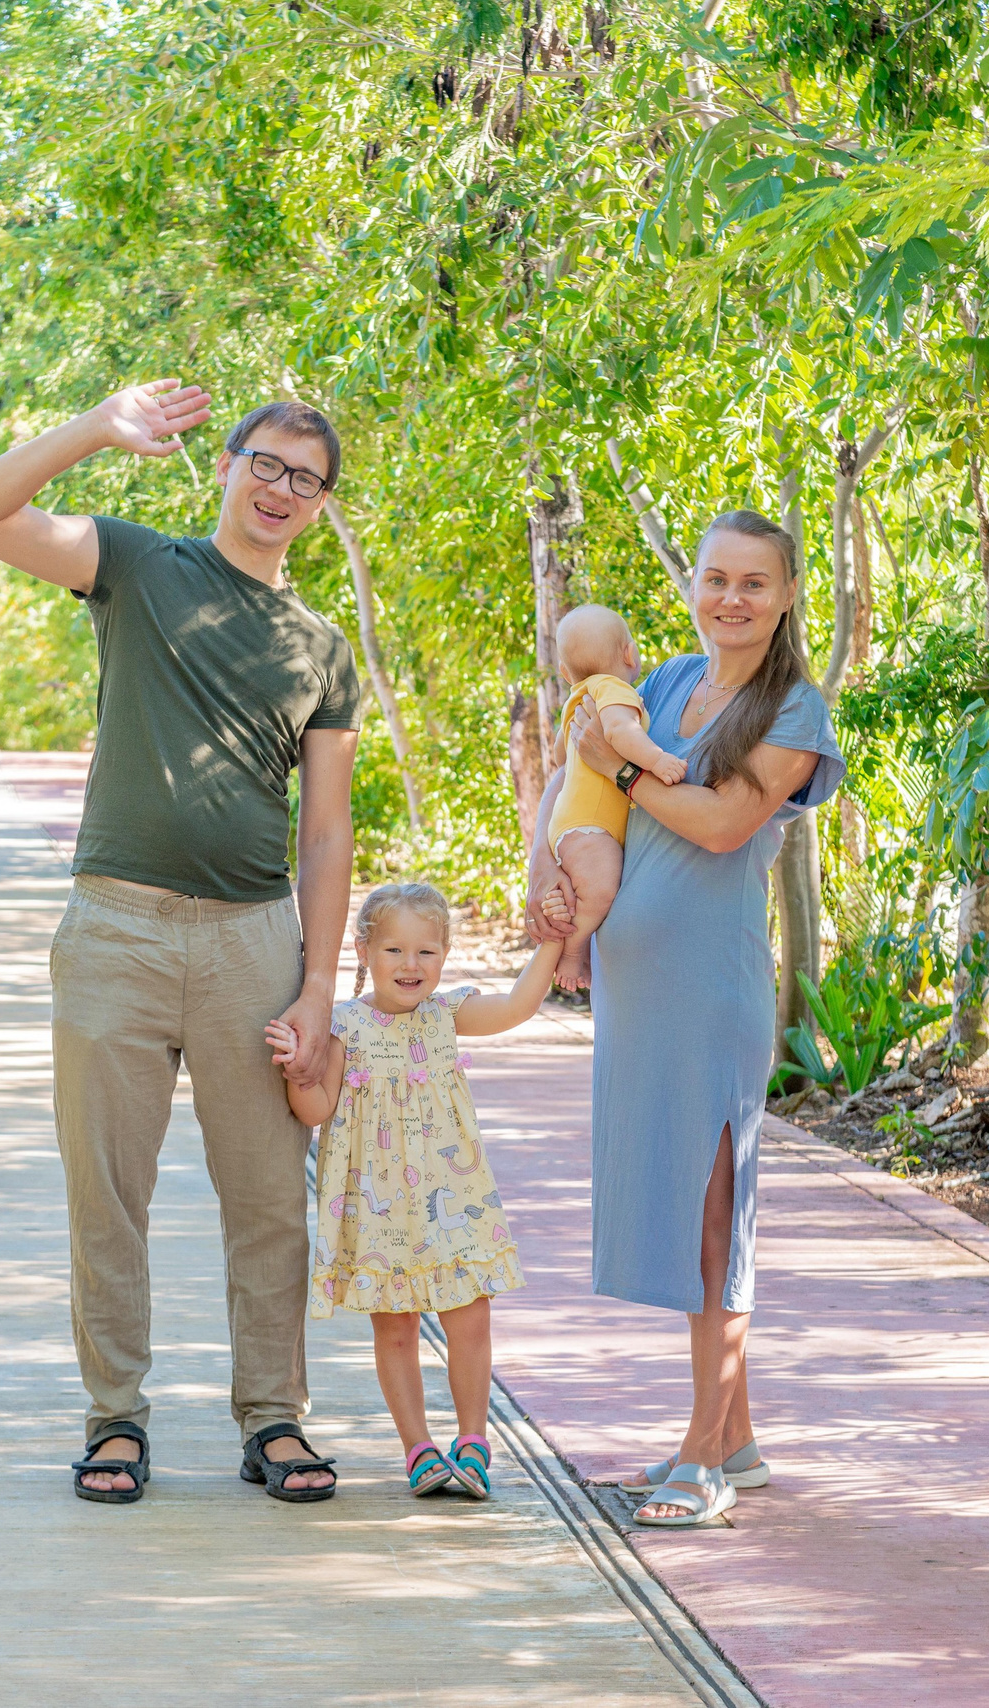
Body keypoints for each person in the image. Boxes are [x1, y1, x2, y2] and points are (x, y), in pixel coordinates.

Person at [0, 380, 360, 1505]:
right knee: (106, 1192)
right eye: (264, 464)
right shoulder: (131, 564)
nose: (279, 489)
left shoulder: (321, 649)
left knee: (269, 1196)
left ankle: (274, 1419)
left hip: (252, 943)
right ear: (223, 465)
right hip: (115, 930)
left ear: (320, 505)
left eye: (304, 479)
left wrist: (321, 987)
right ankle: (113, 1417)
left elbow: (325, 831)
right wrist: (93, 428)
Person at [524, 510, 843, 1528]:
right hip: (635, 991)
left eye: (754, 582)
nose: (731, 598)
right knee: (679, 1205)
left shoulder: (793, 708)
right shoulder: (659, 683)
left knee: (715, 1219)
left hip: (710, 992)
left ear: (787, 594)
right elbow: (584, 784)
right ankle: (737, 1440)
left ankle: (699, 1457)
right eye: (716, 578)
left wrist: (622, 768)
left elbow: (716, 823)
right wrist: (549, 866)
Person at [269, 882, 562, 1501]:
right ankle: (418, 1448)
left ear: (445, 954)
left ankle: (475, 1441)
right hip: (380, 1213)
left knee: (471, 1316)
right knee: (396, 1329)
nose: (411, 966)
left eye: (427, 952)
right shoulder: (343, 1027)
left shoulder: (446, 1016)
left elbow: (515, 1007)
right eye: (395, 950)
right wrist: (300, 1067)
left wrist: (552, 944)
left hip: (453, 1201)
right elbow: (317, 1109)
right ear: (365, 951)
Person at [537, 604, 689, 990]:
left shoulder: (578, 698)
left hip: (571, 824)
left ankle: (575, 940)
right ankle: (572, 954)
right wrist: (657, 760)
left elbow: (559, 757)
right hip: (592, 826)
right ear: (629, 654)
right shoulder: (615, 690)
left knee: (587, 891)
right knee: (601, 889)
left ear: (565, 673)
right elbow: (622, 734)